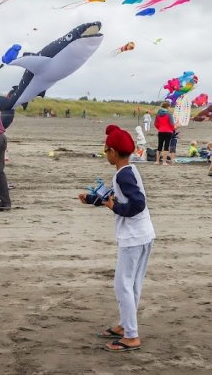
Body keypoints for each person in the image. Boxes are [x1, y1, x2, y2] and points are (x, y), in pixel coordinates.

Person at [80, 125, 155, 353]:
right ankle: (125, 326)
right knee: (131, 284)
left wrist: (116, 208)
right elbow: (112, 197)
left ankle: (132, 336)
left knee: (122, 285)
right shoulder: (128, 171)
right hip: (144, 234)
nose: (105, 154)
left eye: (106, 150)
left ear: (112, 151)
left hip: (133, 237)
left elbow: (136, 203)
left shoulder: (123, 175)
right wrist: (93, 199)